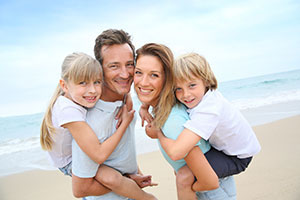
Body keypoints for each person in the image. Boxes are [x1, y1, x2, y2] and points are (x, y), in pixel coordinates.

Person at [40, 52, 155, 200]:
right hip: (69, 162)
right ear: (64, 85)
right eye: (83, 83)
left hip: (73, 156)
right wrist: (124, 124)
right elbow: (99, 154)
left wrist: (130, 99)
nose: (93, 90)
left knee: (115, 179)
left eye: (97, 82)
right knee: (113, 179)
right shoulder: (67, 111)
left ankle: (130, 183)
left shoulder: (77, 98)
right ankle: (147, 198)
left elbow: (114, 96)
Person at [134, 43, 237, 200]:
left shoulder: (173, 121)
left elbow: (209, 181)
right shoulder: (165, 107)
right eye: (138, 72)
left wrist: (185, 186)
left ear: (167, 79)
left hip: (210, 193)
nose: (143, 82)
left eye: (154, 75)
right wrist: (144, 107)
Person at [158, 52, 261, 198]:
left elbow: (176, 152)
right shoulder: (204, 97)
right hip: (223, 148)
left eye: (192, 85)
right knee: (186, 170)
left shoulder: (209, 109)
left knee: (184, 177)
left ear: (206, 81)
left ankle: (197, 188)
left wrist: (158, 134)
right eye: (178, 89)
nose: (185, 94)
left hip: (236, 157)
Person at [71, 29, 157, 200]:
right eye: (114, 66)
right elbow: (80, 189)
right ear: (99, 69)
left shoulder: (126, 99)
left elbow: (121, 151)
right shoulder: (89, 121)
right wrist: (131, 185)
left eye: (129, 64)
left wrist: (134, 175)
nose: (125, 74)